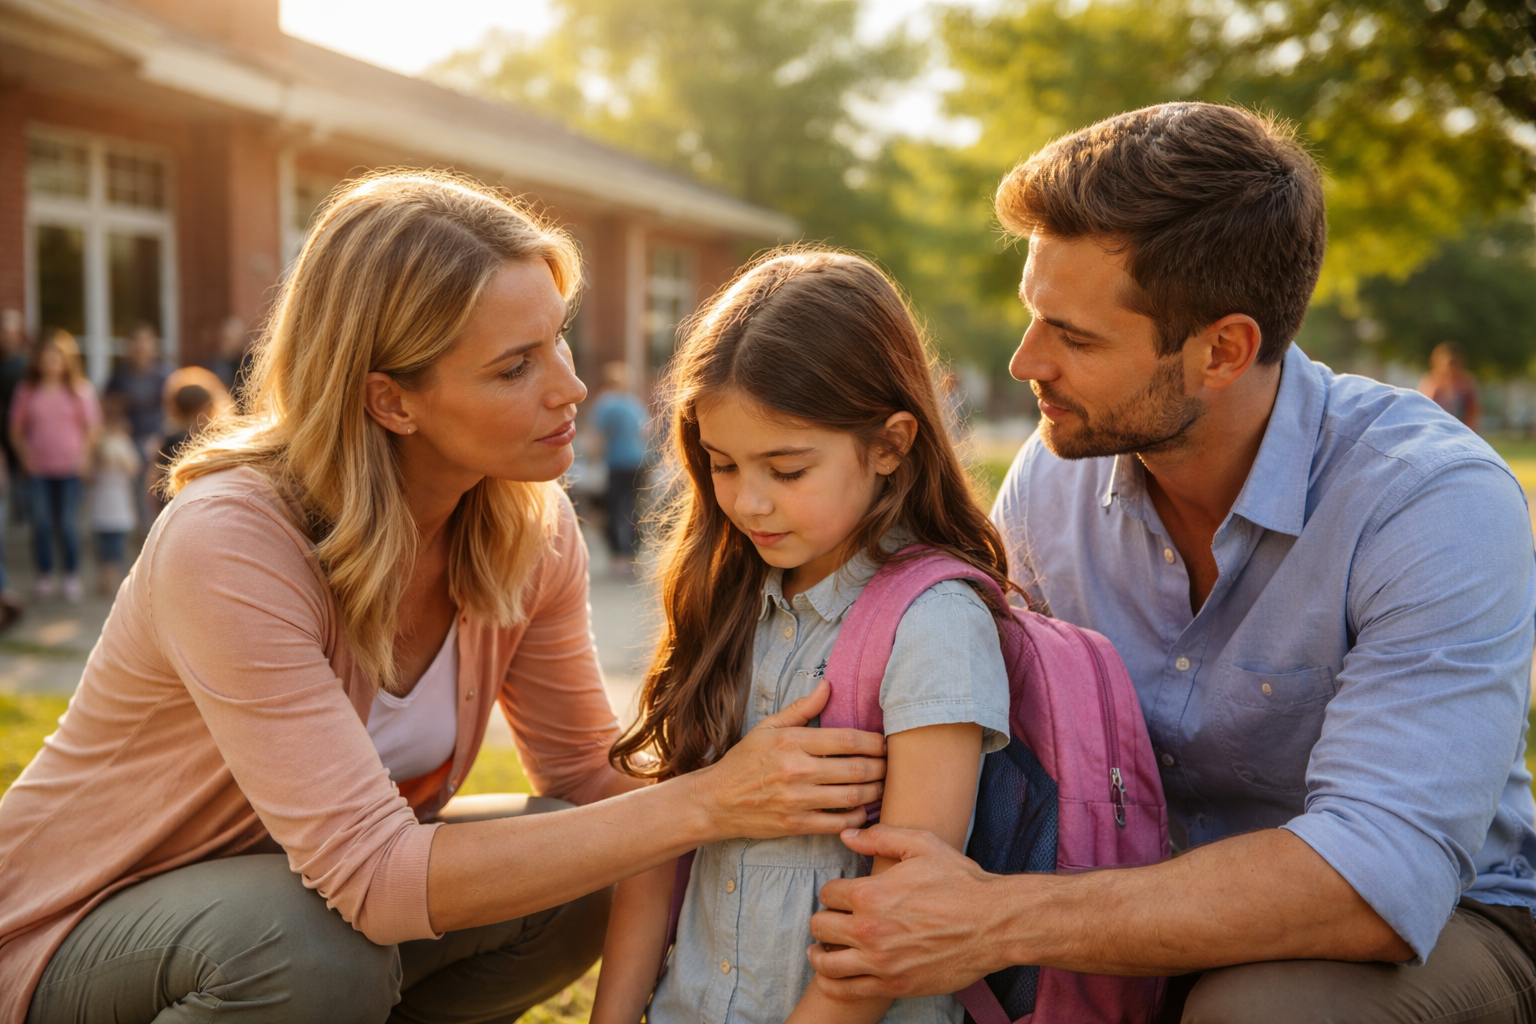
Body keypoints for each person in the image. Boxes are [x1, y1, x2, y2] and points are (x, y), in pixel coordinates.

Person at [0, 172, 887, 1023]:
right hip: (71, 935)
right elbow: (375, 882)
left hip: (293, 915)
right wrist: (708, 801)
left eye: (557, 339)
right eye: (514, 368)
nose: (570, 387)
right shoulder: (230, 540)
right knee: (308, 947)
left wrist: (771, 783)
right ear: (391, 401)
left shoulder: (527, 527)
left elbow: (586, 780)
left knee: (578, 868)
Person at [805, 104, 1536, 1021]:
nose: (1026, 360)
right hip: (1119, 905)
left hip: (1439, 927)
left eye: (1074, 337)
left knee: (1263, 1012)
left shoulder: (1430, 503)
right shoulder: (1054, 473)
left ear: (1222, 351)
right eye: (1034, 316)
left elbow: (1378, 882)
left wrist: (996, 921)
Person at [590, 252, 1012, 1024]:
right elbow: (653, 855)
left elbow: (893, 919)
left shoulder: (935, 624)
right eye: (722, 465)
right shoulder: (724, 596)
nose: (749, 502)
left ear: (889, 445)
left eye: (787, 470)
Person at [9, 331, 101, 604]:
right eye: (46, 357)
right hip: (38, 469)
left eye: (56, 357)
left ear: (66, 361)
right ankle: (45, 575)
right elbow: (15, 429)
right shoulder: (27, 391)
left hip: (71, 469)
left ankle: (71, 575)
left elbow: (93, 429)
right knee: (42, 523)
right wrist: (25, 457)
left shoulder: (79, 390)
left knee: (69, 524)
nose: (50, 363)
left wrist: (84, 458)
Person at [589, 361, 649, 574]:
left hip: (616, 464)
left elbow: (598, 438)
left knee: (612, 510)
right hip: (639, 462)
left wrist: (595, 465)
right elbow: (645, 433)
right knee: (634, 510)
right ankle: (633, 555)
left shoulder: (605, 403)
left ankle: (618, 556)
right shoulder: (635, 404)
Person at [88, 393, 140, 596]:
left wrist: (116, 455)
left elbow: (133, 469)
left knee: (117, 544)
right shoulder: (97, 446)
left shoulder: (123, 445)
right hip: (102, 503)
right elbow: (89, 473)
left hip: (119, 503)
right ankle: (104, 576)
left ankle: (113, 577)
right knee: (102, 544)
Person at [1418, 340, 1482, 431]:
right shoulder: (1431, 382)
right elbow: (1424, 407)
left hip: (1461, 429)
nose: (1452, 368)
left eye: (1455, 363)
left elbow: (1473, 411)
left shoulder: (1466, 383)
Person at [208, 314, 257, 405]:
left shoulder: (249, 362)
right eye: (223, 338)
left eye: (229, 339)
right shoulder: (216, 362)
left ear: (240, 340)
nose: (225, 342)